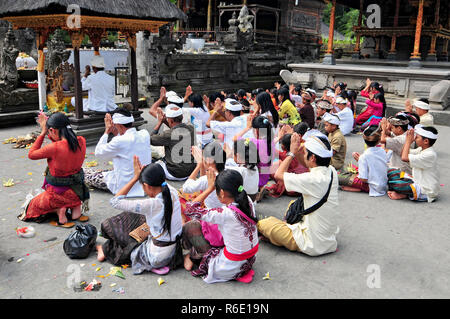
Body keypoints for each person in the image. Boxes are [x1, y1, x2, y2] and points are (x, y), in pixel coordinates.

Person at [257, 134, 339, 256]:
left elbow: (278, 175)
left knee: (264, 224)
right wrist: (299, 150)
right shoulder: (331, 170)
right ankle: (285, 228)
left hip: (312, 244)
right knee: (293, 204)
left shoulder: (313, 179)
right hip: (327, 239)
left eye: (306, 153)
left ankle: (283, 232)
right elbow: (306, 164)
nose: (303, 155)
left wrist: (291, 153)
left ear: (313, 158)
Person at [97, 160, 182, 275]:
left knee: (112, 226)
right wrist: (145, 174)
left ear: (147, 185)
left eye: (142, 186)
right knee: (136, 219)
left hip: (155, 257)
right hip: (173, 251)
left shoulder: (151, 205)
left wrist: (135, 178)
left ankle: (105, 250)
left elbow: (114, 202)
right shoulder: (172, 191)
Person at [182, 169, 259, 284]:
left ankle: (193, 256)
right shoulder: (247, 200)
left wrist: (209, 188)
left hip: (229, 268)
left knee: (192, 226)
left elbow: (190, 210)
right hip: (249, 260)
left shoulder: (226, 213)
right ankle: (193, 255)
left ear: (222, 193)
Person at [18, 112, 89, 228]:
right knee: (73, 189)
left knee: (30, 206)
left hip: (57, 194)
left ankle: (59, 210)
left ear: (53, 131)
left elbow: (31, 154)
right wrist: (50, 130)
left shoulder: (54, 148)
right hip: (78, 192)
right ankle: (76, 210)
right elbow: (62, 144)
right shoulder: (81, 140)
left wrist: (42, 133)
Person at [84, 108, 151, 197]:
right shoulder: (144, 134)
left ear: (119, 125)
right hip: (145, 185)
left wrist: (106, 131)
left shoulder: (119, 141)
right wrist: (116, 131)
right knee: (103, 171)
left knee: (83, 172)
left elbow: (98, 153)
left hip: (123, 186)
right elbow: (125, 143)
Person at [387, 125, 439, 203]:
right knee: (392, 171)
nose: (414, 139)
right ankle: (405, 193)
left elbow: (404, 158)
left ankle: (405, 194)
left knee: (397, 185)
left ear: (426, 141)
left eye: (417, 137)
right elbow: (403, 153)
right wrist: (408, 141)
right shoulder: (421, 149)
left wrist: (408, 141)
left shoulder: (430, 154)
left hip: (426, 189)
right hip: (416, 181)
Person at [339, 125, 388, 196]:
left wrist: (360, 162)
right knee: (348, 166)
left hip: (372, 187)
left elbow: (363, 179)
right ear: (378, 140)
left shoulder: (364, 156)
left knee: (338, 177)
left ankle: (360, 188)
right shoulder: (382, 151)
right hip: (382, 184)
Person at [151, 105, 197, 181]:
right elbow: (176, 129)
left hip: (174, 173)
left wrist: (159, 122)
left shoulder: (168, 134)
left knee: (153, 165)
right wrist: (166, 120)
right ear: (182, 117)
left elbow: (150, 139)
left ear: (171, 121)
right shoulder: (191, 128)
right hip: (191, 172)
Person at [233, 115, 274, 193]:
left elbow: (235, 139)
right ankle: (260, 188)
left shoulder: (255, 142)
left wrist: (247, 127)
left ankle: (255, 190)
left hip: (256, 179)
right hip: (264, 177)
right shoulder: (271, 142)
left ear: (257, 130)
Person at [181, 143, 227, 210]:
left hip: (210, 211)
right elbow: (203, 183)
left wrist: (199, 165)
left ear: (208, 161)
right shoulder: (229, 173)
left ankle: (183, 219)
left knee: (180, 193)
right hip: (225, 209)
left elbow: (186, 188)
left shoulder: (205, 180)